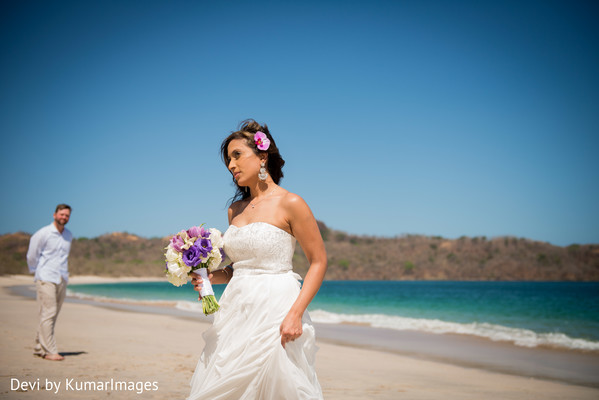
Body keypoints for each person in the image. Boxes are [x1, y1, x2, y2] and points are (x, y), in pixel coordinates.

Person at [187, 120, 327, 399]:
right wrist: (213, 277)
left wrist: (295, 314)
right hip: (235, 309)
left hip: (276, 307)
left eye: (237, 155)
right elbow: (236, 267)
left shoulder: (291, 203)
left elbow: (319, 261)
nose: (231, 164)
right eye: (228, 159)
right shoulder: (234, 210)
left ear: (262, 156)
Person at [26, 204, 73, 361]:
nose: (64, 217)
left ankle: (39, 346)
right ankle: (50, 351)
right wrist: (37, 271)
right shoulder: (43, 233)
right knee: (49, 312)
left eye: (67, 215)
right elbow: (32, 255)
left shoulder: (68, 235)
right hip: (46, 277)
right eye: (61, 214)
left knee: (52, 315)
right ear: (54, 215)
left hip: (61, 278)